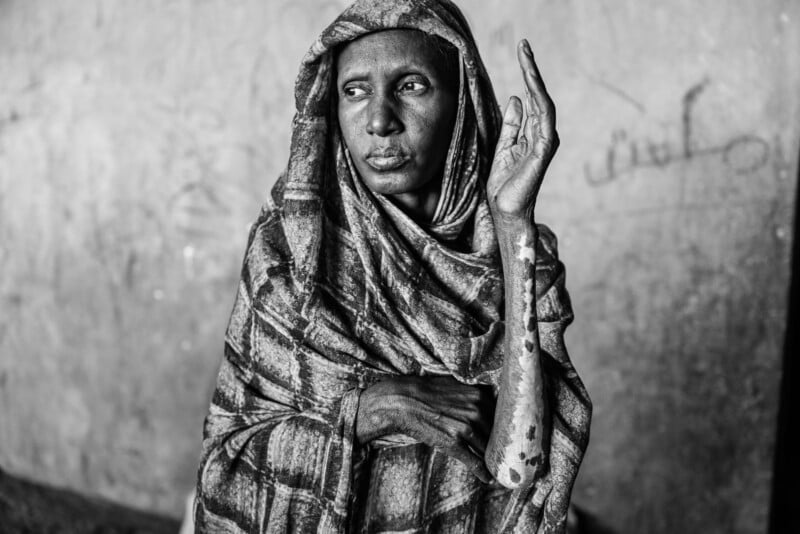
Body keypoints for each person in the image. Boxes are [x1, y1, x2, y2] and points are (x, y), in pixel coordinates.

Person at [195, 0, 591, 532]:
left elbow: (517, 481)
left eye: (411, 86)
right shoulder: (291, 248)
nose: (379, 121)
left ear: (462, 104)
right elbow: (226, 467)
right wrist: (374, 410)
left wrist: (513, 223)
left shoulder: (516, 257)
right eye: (354, 91)